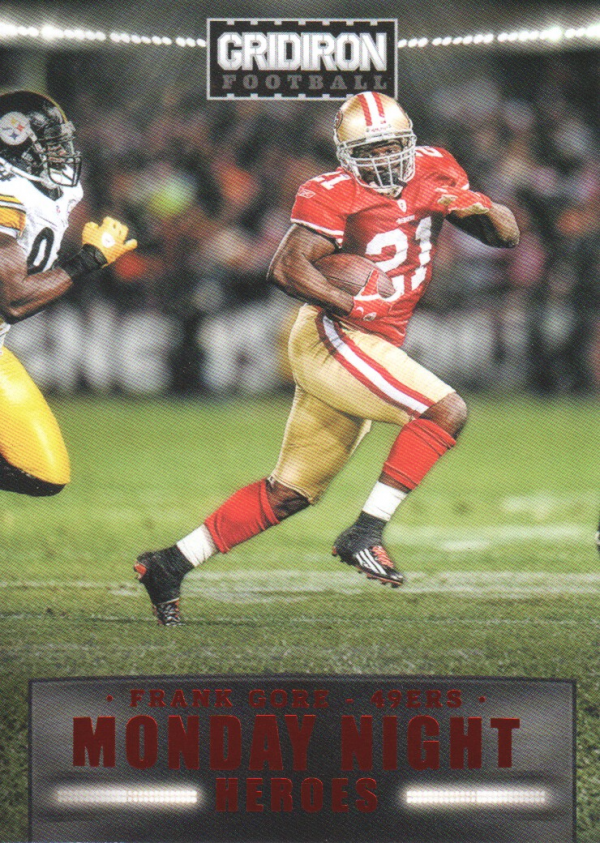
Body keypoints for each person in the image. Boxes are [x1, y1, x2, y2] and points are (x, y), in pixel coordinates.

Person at [135, 91, 519, 626]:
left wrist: (480, 207)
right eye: (369, 151)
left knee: (289, 493)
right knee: (445, 409)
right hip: (334, 333)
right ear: (345, 156)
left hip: (373, 340)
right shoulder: (331, 191)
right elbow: (285, 268)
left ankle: (168, 566)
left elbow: (506, 235)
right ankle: (366, 531)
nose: (382, 160)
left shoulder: (436, 167)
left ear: (410, 142)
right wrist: (349, 301)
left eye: (391, 147)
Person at [0, 90, 136, 496]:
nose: (64, 153)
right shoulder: (6, 192)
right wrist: (88, 260)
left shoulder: (44, 189)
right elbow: (12, 301)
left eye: (63, 143)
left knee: (45, 474)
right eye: (51, 144)